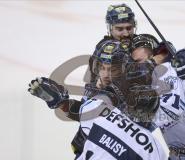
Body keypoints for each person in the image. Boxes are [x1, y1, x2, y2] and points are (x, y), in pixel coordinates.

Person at [28, 40, 167, 160]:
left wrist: (62, 103)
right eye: (102, 67)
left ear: (125, 70)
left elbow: (91, 114)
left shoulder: (124, 91)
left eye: (112, 70)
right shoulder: (98, 84)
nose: (105, 74)